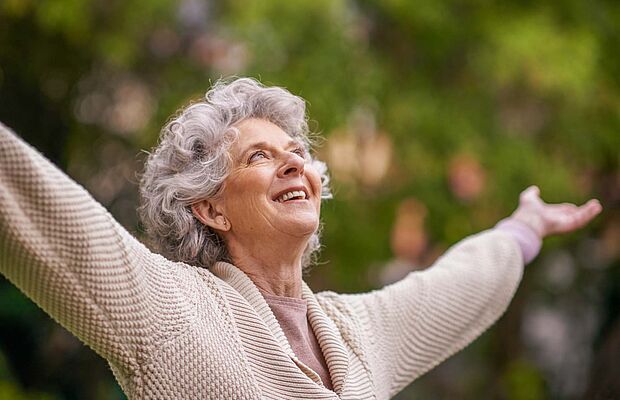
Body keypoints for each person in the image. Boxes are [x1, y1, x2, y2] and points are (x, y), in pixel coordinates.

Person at [0, 78, 602, 399]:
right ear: (210, 208)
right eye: (260, 157)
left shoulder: (355, 333)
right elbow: (46, 213)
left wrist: (523, 229)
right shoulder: (170, 313)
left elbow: (456, 286)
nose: (295, 166)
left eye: (299, 154)